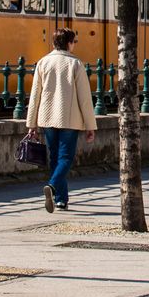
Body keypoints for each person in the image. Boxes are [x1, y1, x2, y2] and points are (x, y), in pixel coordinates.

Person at [27, 28, 97, 213]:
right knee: (65, 158)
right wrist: (90, 126)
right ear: (69, 43)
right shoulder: (75, 64)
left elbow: (35, 96)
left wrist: (31, 124)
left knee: (55, 158)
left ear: (53, 44)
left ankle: (60, 200)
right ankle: (52, 186)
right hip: (69, 119)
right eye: (74, 42)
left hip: (47, 118)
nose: (74, 45)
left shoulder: (43, 62)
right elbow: (84, 98)